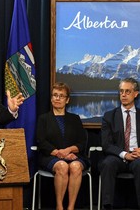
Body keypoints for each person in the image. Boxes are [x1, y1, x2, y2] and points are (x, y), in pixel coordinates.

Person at [99, 77, 140, 210]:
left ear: (135, 94)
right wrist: (124, 154)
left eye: (127, 92)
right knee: (107, 163)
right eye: (121, 91)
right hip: (118, 156)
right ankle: (107, 206)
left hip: (138, 157)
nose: (123, 95)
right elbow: (106, 145)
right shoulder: (109, 116)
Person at [36, 82, 90, 210]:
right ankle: (59, 207)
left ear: (67, 100)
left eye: (61, 96)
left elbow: (82, 142)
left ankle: (70, 207)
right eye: (55, 95)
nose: (57, 98)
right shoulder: (43, 119)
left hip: (74, 156)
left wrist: (69, 150)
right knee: (62, 166)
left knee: (76, 167)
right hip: (50, 157)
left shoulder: (75, 119)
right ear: (51, 98)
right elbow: (41, 141)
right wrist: (58, 153)